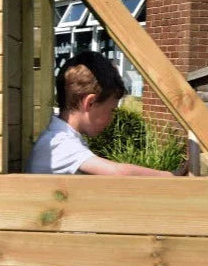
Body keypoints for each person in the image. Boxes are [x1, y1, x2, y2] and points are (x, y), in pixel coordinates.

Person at [27, 51, 175, 176]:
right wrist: (169, 176)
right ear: (89, 103)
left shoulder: (63, 138)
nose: (111, 118)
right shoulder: (58, 144)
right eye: (111, 111)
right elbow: (120, 172)